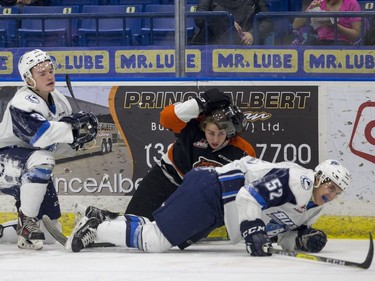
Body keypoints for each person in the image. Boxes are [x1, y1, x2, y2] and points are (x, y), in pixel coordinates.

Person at [67, 157, 350, 256]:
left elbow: (279, 231)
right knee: (156, 242)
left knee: (161, 235)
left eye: (337, 191)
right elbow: (250, 198)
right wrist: (253, 231)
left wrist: (298, 241)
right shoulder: (298, 179)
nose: (332, 193)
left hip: (217, 208)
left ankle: (102, 217)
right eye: (330, 186)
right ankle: (96, 228)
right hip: (213, 191)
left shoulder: (313, 206)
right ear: (319, 177)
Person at [0, 49, 98, 250]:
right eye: (42, 73)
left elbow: (57, 146)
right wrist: (73, 131)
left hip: (28, 165)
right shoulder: (22, 102)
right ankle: (26, 222)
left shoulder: (59, 100)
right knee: (43, 159)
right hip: (4, 162)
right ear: (28, 78)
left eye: (50, 70)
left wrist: (78, 142)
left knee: (49, 231)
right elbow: (41, 135)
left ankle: (7, 231)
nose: (49, 75)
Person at [124, 88, 256, 221]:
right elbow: (166, 117)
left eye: (221, 133)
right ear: (203, 126)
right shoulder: (191, 127)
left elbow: (251, 187)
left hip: (201, 194)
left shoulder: (243, 151)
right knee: (132, 222)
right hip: (166, 178)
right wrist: (201, 102)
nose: (215, 140)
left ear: (230, 132)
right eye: (211, 133)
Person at [190, 0, 274, 45]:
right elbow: (199, 17)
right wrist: (226, 21)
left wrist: (252, 34)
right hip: (213, 48)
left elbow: (268, 22)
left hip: (244, 50)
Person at [292, 0, 362, 46]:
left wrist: (336, 26)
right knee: (305, 46)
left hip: (343, 43)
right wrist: (310, 9)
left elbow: (355, 35)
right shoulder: (319, 2)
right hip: (321, 41)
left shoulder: (352, 3)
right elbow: (295, 25)